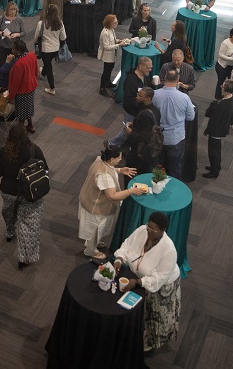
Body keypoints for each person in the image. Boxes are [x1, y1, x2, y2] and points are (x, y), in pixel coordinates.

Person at [113, 212, 181, 351]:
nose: (148, 231)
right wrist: (120, 258)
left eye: (153, 230)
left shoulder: (169, 250)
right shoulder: (141, 231)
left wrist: (138, 282)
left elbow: (159, 278)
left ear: (163, 231)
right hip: (139, 277)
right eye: (148, 227)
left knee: (154, 314)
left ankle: (149, 343)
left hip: (161, 286)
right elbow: (127, 245)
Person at [0, 124, 47, 269]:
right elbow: (45, 169)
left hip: (9, 191)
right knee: (28, 225)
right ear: (25, 136)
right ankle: (24, 258)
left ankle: (10, 230)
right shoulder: (34, 150)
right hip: (30, 193)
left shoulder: (3, 151)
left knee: (9, 212)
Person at [78, 143, 143, 260]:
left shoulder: (100, 160)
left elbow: (109, 168)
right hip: (96, 207)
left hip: (88, 199)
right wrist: (131, 191)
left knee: (94, 231)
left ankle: (91, 243)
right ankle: (90, 250)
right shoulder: (104, 176)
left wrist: (120, 170)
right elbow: (112, 196)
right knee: (96, 229)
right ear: (112, 159)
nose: (121, 159)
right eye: (119, 158)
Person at [152, 69, 194, 178]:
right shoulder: (184, 98)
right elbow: (191, 117)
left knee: (156, 166)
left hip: (157, 138)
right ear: (178, 80)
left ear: (164, 78)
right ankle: (174, 191)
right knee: (175, 167)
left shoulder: (155, 95)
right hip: (175, 139)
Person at [110, 57, 155, 148]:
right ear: (141, 66)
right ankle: (112, 143)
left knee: (132, 131)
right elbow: (128, 100)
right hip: (132, 112)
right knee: (128, 131)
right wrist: (140, 100)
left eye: (151, 67)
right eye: (148, 68)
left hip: (139, 111)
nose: (150, 70)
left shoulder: (144, 77)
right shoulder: (130, 81)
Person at [203, 80, 233, 179]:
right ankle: (216, 167)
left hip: (216, 130)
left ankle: (214, 172)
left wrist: (207, 130)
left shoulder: (220, 104)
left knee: (213, 151)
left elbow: (212, 117)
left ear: (226, 91)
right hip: (222, 128)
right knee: (217, 149)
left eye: (223, 86)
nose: (221, 87)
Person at [123, 87, 162, 172]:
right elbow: (151, 127)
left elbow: (145, 137)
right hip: (148, 152)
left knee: (131, 173)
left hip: (139, 151)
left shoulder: (145, 115)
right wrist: (135, 124)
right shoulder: (155, 110)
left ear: (147, 98)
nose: (137, 97)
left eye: (140, 96)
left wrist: (130, 132)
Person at [34, 4, 66, 95]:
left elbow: (36, 37)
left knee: (49, 67)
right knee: (47, 63)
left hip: (45, 49)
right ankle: (42, 74)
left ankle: (52, 88)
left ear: (47, 12)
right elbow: (63, 37)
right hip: (56, 49)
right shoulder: (60, 24)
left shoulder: (41, 24)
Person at [8, 39, 38, 133]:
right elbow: (36, 71)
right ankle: (30, 125)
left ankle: (21, 135)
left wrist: (11, 96)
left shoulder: (19, 64)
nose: (12, 51)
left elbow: (16, 83)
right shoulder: (32, 55)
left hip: (22, 91)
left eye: (13, 49)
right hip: (31, 87)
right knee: (28, 108)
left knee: (21, 114)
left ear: (18, 51)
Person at [98, 14, 127, 97]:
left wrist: (118, 41)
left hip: (112, 54)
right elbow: (106, 47)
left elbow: (112, 40)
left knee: (110, 68)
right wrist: (119, 45)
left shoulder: (111, 29)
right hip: (107, 55)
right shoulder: (105, 33)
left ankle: (108, 82)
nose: (117, 23)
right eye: (115, 22)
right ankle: (102, 88)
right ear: (109, 23)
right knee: (106, 71)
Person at [0, 2, 25, 73]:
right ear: (7, 10)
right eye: (11, 10)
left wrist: (17, 34)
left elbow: (23, 33)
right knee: (0, 64)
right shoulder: (1, 19)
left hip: (14, 47)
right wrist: (3, 33)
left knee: (13, 64)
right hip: (2, 45)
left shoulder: (20, 20)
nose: (13, 12)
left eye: (14, 10)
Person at [215, 28, 233, 99]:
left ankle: (228, 97)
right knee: (221, 82)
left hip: (231, 66)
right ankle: (218, 97)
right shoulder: (225, 43)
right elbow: (220, 54)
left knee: (231, 83)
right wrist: (230, 59)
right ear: (232, 35)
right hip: (222, 66)